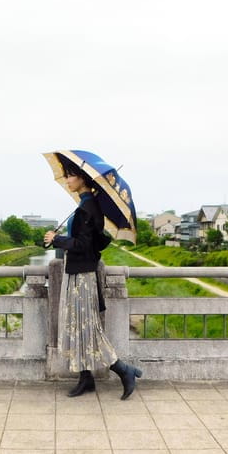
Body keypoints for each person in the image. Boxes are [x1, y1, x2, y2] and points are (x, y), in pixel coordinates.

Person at [44, 161, 142, 399]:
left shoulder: (90, 208)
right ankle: (86, 379)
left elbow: (84, 245)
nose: (67, 180)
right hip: (76, 273)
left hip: (84, 276)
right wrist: (54, 239)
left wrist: (58, 241)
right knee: (78, 327)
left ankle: (124, 370)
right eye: (66, 176)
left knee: (89, 328)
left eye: (70, 176)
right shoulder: (85, 206)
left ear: (82, 179)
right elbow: (80, 240)